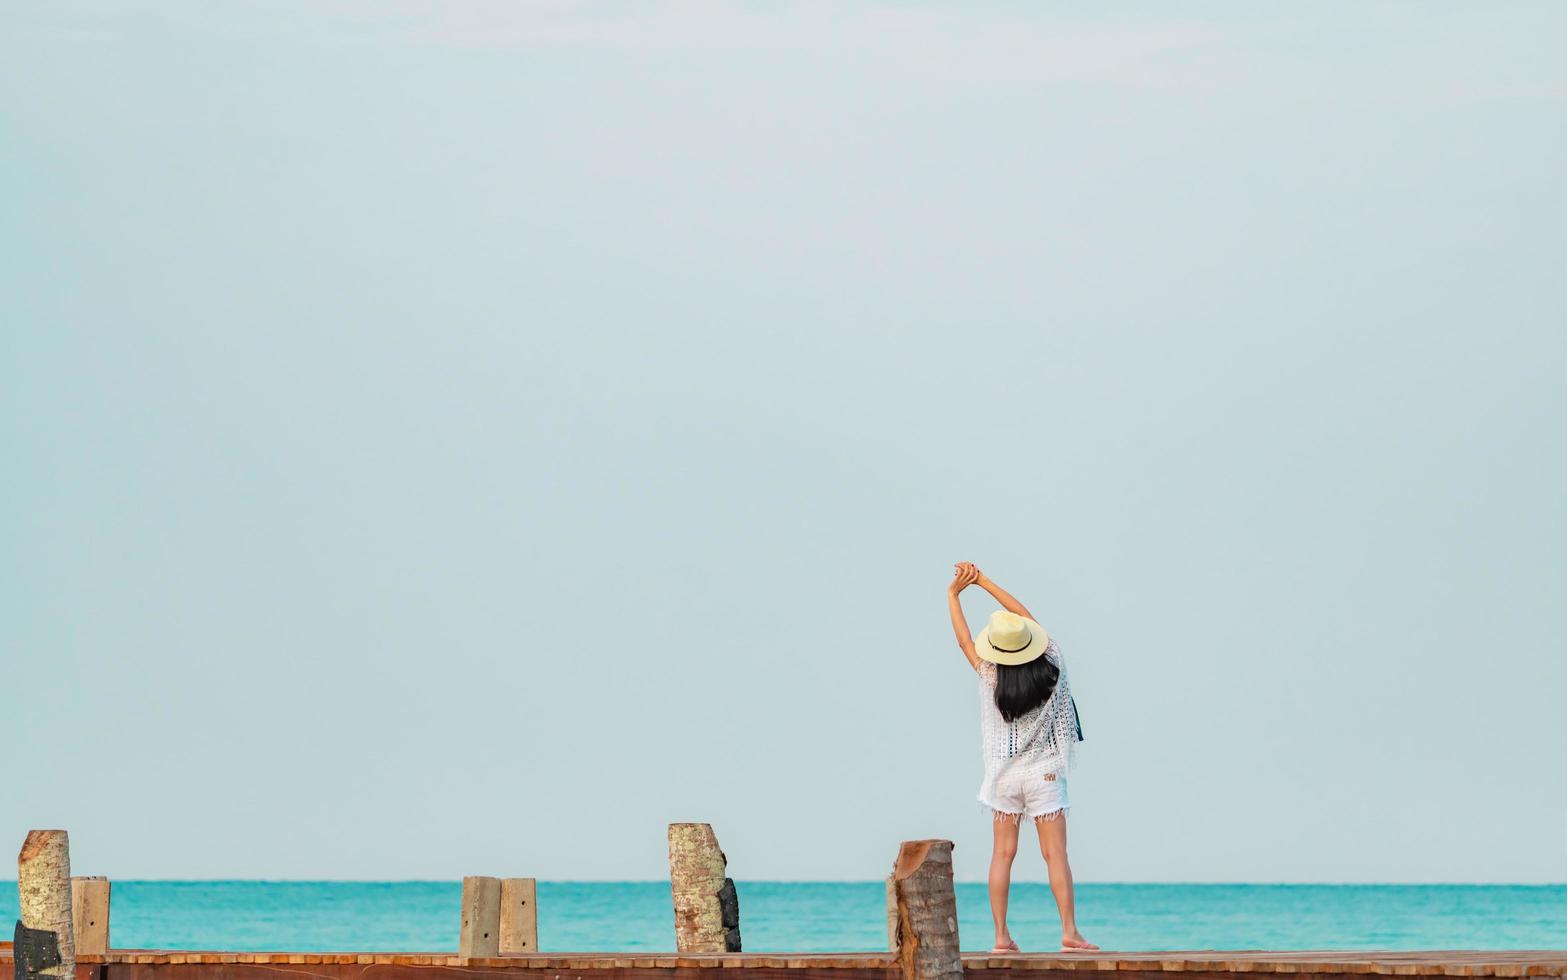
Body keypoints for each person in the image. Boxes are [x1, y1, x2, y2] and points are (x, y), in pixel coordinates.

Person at [947, 561, 1097, 953]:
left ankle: (1000, 937)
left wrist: (954, 594)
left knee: (1002, 855)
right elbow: (1026, 617)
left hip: (1005, 777)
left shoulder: (989, 676)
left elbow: (964, 642)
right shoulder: (1053, 665)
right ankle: (1069, 931)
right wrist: (982, 581)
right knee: (1055, 855)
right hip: (1045, 774)